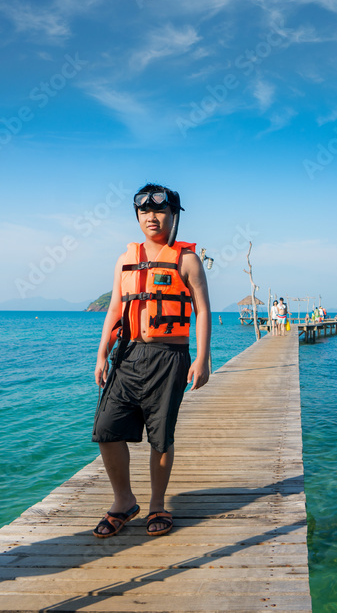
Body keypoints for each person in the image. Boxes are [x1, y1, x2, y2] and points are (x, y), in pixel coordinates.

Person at [91, 183, 210, 538]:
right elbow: (116, 308)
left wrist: (202, 358)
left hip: (169, 356)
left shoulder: (187, 260)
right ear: (138, 216)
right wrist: (101, 353)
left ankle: (158, 504)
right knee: (107, 429)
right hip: (126, 354)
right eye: (144, 212)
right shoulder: (124, 258)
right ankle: (124, 501)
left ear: (173, 215)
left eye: (159, 211)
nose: (152, 217)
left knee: (160, 435)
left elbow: (202, 310)